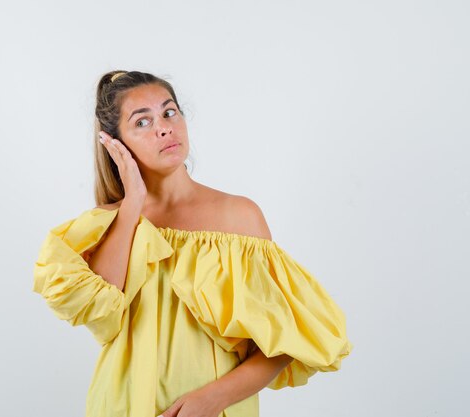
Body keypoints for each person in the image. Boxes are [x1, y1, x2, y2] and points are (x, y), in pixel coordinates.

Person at [33, 70, 353, 417]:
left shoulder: (239, 216)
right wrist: (132, 203)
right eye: (142, 122)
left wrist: (213, 399)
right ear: (116, 143)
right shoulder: (108, 224)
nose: (164, 128)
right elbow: (100, 311)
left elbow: (285, 340)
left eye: (169, 113)